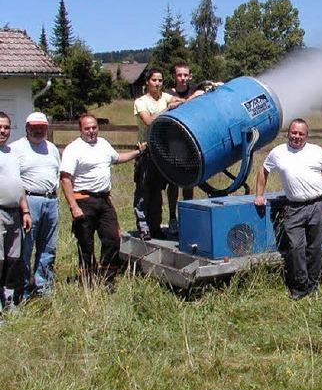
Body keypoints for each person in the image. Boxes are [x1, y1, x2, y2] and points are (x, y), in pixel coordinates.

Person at [254, 118, 322, 300]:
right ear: (288, 133)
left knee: (315, 247)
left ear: (306, 136)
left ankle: (313, 285)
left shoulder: (316, 151)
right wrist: (259, 195)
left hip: (317, 204)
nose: (297, 137)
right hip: (293, 207)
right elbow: (263, 171)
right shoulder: (278, 153)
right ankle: (300, 285)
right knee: (296, 248)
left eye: (301, 134)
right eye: (294, 132)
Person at [60, 114, 145, 285]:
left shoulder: (103, 144)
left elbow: (117, 158)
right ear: (80, 129)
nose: (91, 131)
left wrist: (138, 152)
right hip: (83, 200)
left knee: (112, 239)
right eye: (87, 128)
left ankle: (107, 279)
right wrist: (74, 207)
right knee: (86, 242)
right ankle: (87, 280)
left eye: (94, 127)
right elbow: (65, 178)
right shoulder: (73, 149)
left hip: (104, 200)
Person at [164, 63, 222, 236]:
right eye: (179, 75)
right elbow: (169, 105)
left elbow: (216, 86)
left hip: (192, 143)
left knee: (189, 181)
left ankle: (187, 216)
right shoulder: (168, 94)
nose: (182, 78)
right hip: (173, 143)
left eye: (185, 75)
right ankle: (173, 217)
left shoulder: (195, 89)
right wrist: (191, 99)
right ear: (174, 76)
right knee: (174, 182)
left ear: (189, 76)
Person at [11, 112, 60, 298]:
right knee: (25, 248)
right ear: (27, 127)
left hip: (51, 201)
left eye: (42, 127)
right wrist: (24, 209)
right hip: (29, 202)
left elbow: (57, 174)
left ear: (47, 128)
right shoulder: (16, 148)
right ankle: (21, 291)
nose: (38, 130)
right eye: (34, 127)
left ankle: (43, 287)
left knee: (48, 247)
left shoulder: (52, 148)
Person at [133, 68, 182, 240]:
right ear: (148, 81)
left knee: (158, 192)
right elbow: (149, 121)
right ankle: (143, 226)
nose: (158, 83)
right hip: (146, 152)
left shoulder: (166, 97)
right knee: (144, 191)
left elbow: (182, 101)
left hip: (163, 151)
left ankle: (155, 227)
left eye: (160, 80)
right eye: (154, 80)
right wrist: (168, 109)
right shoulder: (141, 102)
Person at [0, 112, 31, 309]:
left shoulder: (11, 153)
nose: (3, 131)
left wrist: (25, 211)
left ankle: (9, 299)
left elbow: (19, 185)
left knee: (13, 258)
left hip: (15, 214)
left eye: (6, 127)